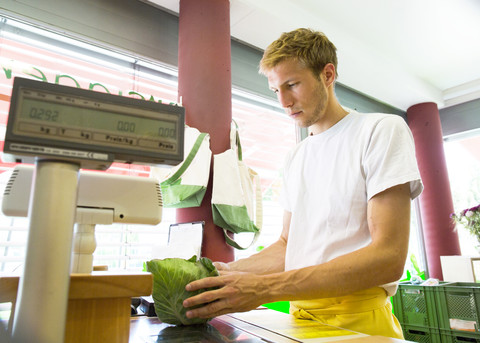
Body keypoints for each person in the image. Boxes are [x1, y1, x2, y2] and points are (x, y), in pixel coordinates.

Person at [182, 28, 423, 338]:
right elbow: (287, 245)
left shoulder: (380, 131)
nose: (283, 101)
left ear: (327, 74)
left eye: (292, 85)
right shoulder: (296, 157)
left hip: (359, 320)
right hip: (300, 320)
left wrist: (264, 289)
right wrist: (226, 272)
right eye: (275, 90)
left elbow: (388, 258)